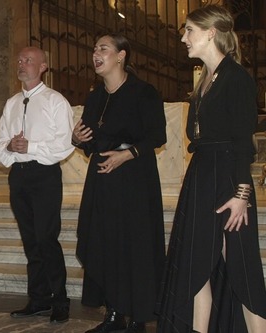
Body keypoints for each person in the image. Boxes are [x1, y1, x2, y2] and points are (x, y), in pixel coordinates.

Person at [156, 5, 266, 332]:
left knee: (242, 268)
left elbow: (244, 145)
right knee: (196, 266)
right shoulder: (204, 81)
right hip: (202, 178)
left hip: (230, 182)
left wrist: (242, 194)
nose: (183, 37)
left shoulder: (236, 78)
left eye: (189, 30)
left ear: (210, 32)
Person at [72, 34, 167, 333]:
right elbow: (90, 141)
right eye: (94, 49)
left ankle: (138, 317)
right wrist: (78, 140)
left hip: (134, 179)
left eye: (103, 48)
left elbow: (157, 136)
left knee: (135, 246)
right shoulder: (95, 97)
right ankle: (113, 313)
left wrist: (126, 155)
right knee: (104, 243)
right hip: (102, 179)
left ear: (121, 55)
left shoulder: (143, 92)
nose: (95, 54)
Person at [0, 46, 74, 323]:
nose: (22, 64)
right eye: (19, 60)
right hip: (18, 175)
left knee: (46, 238)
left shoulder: (55, 101)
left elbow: (65, 145)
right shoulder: (12, 103)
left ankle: (60, 299)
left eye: (28, 60)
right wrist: (11, 146)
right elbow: (0, 147)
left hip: (44, 176)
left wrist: (31, 146)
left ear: (43, 66)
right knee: (30, 241)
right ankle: (38, 298)